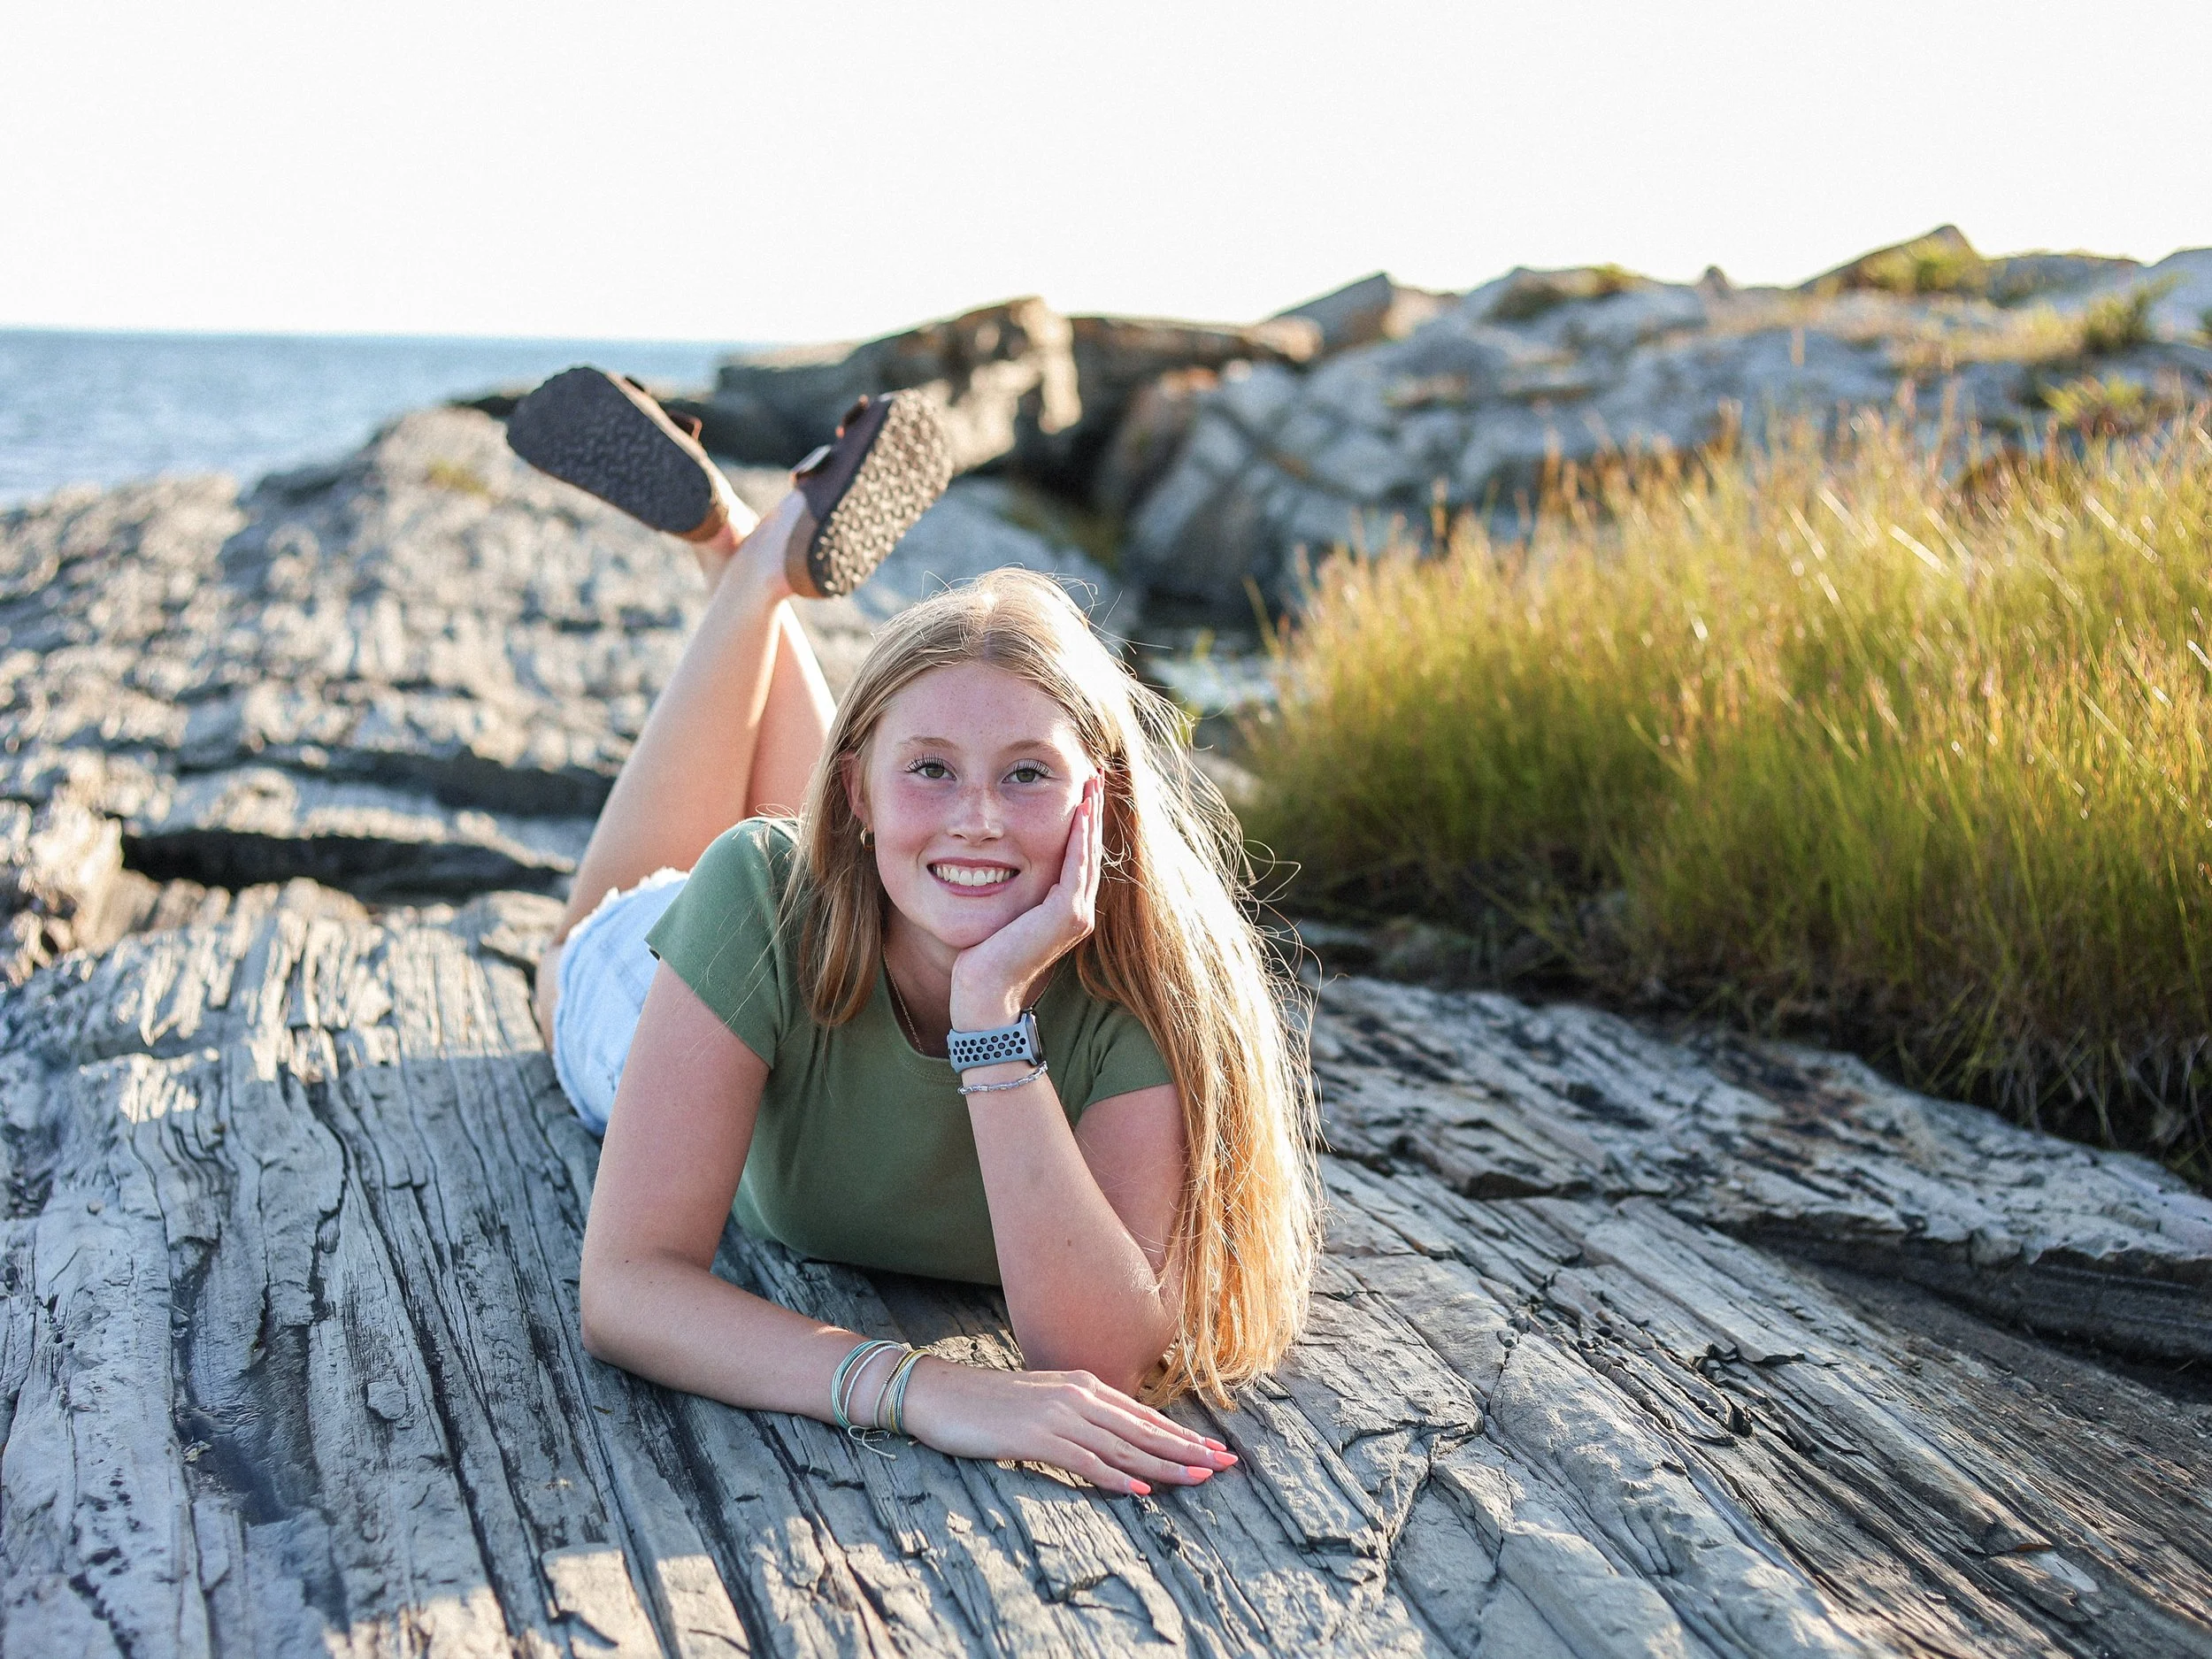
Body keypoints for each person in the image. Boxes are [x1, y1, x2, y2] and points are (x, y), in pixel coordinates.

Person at [509, 368, 1319, 1499]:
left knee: (925, 847)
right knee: (568, 955)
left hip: (853, 876)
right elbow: (629, 1286)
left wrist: (993, 1020)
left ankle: (750, 557)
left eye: (1028, 773)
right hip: (666, 1004)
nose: (982, 815)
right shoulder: (755, 891)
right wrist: (920, 1387)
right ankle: (747, 568)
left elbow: (1098, 1360)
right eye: (931, 768)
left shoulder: (1145, 991)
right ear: (857, 797)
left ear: (1105, 801)